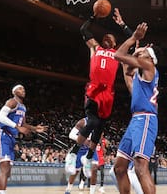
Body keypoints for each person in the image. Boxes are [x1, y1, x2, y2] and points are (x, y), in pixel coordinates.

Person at [65, 14, 120, 178]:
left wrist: (123, 25)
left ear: (115, 43)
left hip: (108, 94)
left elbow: (132, 42)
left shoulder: (117, 54)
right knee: (92, 121)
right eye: (105, 37)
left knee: (100, 126)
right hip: (94, 89)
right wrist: (93, 17)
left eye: (110, 37)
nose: (106, 38)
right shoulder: (95, 48)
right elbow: (83, 29)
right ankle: (73, 154)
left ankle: (88, 158)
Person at [113, 22, 159, 194]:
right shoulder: (141, 81)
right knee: (119, 167)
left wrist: (134, 38)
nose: (140, 50)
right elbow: (126, 70)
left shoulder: (149, 66)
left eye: (144, 51)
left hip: (146, 119)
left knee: (140, 166)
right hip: (136, 121)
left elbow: (119, 55)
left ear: (149, 58)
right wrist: (126, 29)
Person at [0, 84, 47, 194]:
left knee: (7, 173)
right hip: (2, 135)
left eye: (24, 88)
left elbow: (23, 124)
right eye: (20, 88)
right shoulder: (12, 102)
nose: (23, 90)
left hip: (11, 138)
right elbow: (0, 117)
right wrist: (17, 127)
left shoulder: (23, 107)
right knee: (5, 170)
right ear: (14, 92)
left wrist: (35, 128)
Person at [65, 117, 99, 194]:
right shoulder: (82, 122)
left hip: (91, 149)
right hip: (80, 149)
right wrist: (82, 140)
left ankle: (92, 192)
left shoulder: (99, 122)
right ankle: (68, 189)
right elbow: (71, 135)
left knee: (94, 168)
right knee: (76, 171)